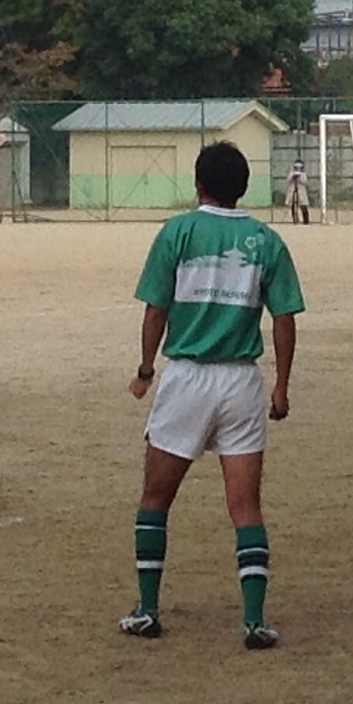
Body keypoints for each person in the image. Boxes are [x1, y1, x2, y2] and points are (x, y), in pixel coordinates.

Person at [120, 141, 305, 650]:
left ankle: (148, 610)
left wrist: (145, 368)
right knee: (245, 506)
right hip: (241, 381)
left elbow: (155, 310)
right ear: (243, 187)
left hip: (187, 377)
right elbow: (284, 317)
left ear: (198, 183)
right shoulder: (266, 240)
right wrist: (281, 386)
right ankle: (254, 620)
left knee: (156, 498)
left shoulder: (177, 232)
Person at [285, 159, 310, 225]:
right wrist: (293, 177)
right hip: (293, 191)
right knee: (293, 205)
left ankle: (306, 221)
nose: (298, 169)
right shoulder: (291, 173)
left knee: (303, 206)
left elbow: (305, 182)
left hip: (301, 192)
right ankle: (295, 219)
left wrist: (299, 178)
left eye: (300, 167)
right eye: (296, 167)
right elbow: (288, 181)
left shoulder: (303, 174)